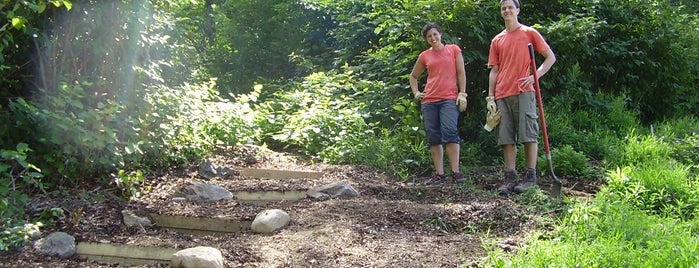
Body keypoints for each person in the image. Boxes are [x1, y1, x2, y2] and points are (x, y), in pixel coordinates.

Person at [487, 0, 556, 195]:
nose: (507, 10)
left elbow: (550, 57)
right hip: (502, 94)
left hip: (523, 91)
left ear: (517, 10)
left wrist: (535, 77)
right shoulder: (497, 40)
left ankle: (530, 177)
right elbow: (494, 70)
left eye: (510, 7)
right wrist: (490, 97)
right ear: (501, 13)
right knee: (506, 138)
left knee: (528, 134)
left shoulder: (529, 33)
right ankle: (510, 178)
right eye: (503, 8)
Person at [409, 22, 469, 185]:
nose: (433, 38)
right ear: (426, 39)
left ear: (441, 34)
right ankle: (440, 174)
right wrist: (416, 93)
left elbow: (461, 73)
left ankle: (456, 172)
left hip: (449, 98)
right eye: (429, 36)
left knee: (449, 131)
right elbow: (413, 76)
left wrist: (462, 93)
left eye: (435, 34)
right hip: (429, 101)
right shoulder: (424, 56)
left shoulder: (453, 50)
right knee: (433, 135)